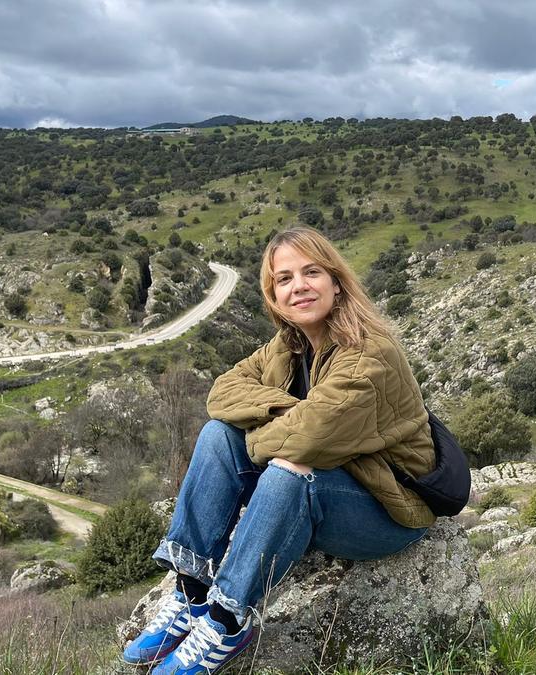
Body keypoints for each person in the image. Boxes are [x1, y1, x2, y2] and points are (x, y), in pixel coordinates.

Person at [122, 227, 436, 674]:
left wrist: (274, 434)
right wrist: (291, 410)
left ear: (337, 282)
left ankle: (227, 621)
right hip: (334, 482)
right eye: (284, 279)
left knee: (290, 465)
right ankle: (191, 593)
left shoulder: (370, 352)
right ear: (274, 296)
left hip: (387, 510)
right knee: (218, 434)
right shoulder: (288, 346)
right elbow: (222, 393)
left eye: (312, 272)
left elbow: (308, 439)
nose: (299, 286)